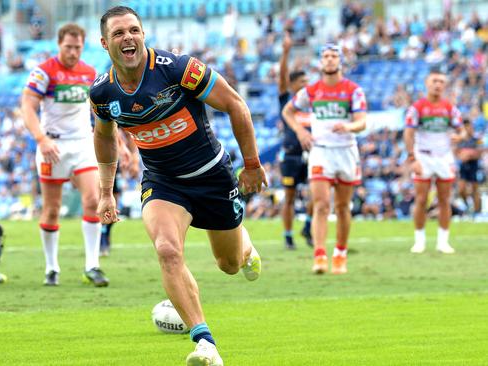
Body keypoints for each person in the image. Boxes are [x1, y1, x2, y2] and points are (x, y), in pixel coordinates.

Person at [91, 7, 265, 365]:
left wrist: (251, 164)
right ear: (105, 42)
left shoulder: (178, 69)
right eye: (119, 33)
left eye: (134, 30)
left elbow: (235, 104)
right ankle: (205, 343)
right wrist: (106, 190)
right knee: (167, 250)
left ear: (143, 34)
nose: (129, 38)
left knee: (229, 264)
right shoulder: (102, 91)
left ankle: (245, 246)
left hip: (211, 176)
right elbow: (104, 137)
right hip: (163, 183)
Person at [20, 23, 108, 287]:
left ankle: (92, 265)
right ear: (59, 45)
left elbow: (100, 111)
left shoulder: (89, 73)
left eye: (77, 47)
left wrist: (121, 144)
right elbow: (27, 105)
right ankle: (51, 268)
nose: (72, 52)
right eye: (68, 47)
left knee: (93, 200)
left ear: (83, 46)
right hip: (53, 147)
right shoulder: (44, 72)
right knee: (52, 209)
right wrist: (41, 138)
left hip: (82, 143)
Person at [282, 44, 367, 275]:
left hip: (346, 151)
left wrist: (348, 125)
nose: (329, 60)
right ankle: (319, 255)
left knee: (342, 207)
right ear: (321, 62)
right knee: (320, 204)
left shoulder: (353, 90)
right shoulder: (311, 91)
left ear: (340, 61)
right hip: (320, 151)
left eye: (334, 56)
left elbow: (362, 122)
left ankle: (340, 253)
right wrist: (300, 132)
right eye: (325, 56)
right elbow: (288, 111)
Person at [404, 69, 465, 254]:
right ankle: (419, 240)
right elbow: (408, 132)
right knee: (421, 199)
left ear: (445, 85)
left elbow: (461, 130)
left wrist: (459, 136)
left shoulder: (449, 108)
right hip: (423, 156)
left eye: (441, 81)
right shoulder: (417, 108)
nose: (438, 85)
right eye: (434, 81)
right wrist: (412, 157)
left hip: (444, 157)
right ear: (426, 83)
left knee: (445, 199)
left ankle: (443, 241)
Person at [277, 32, 313, 250]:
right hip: (291, 155)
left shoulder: (313, 102)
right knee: (289, 197)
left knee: (316, 194)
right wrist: (286, 52)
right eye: (301, 82)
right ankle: (288, 236)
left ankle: (308, 227)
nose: (306, 86)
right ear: (292, 86)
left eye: (307, 82)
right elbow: (282, 77)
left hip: (312, 154)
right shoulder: (286, 100)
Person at [456, 119, 483, 218]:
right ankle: (468, 206)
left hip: (473, 166)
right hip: (463, 166)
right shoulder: (460, 140)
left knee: (474, 190)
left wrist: (469, 155)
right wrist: (461, 156)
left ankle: (476, 213)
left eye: (470, 126)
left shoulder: (476, 139)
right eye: (466, 127)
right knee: (461, 190)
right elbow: (457, 152)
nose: (468, 129)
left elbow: (480, 152)